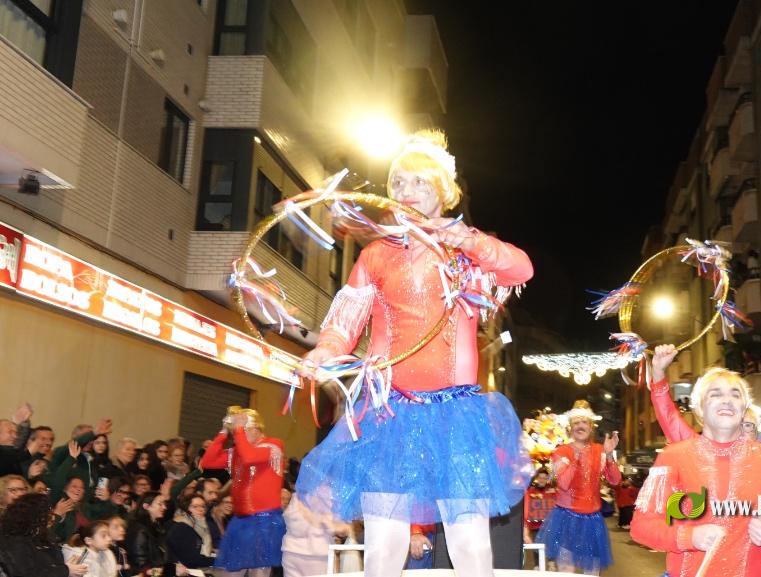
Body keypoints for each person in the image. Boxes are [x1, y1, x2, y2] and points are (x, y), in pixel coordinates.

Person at [293, 129, 533, 577]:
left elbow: (521, 267)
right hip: (389, 413)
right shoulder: (376, 255)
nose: (407, 191)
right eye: (399, 182)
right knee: (383, 542)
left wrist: (468, 241)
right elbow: (345, 322)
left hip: (457, 415)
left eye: (419, 182)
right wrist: (324, 351)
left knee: (470, 541)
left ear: (443, 188)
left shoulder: (466, 251)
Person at [644, 344, 761, 577]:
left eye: (748, 425)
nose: (740, 428)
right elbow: (669, 417)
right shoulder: (693, 451)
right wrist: (659, 376)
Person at [200, 406, 285, 577]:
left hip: (264, 521)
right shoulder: (237, 451)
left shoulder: (273, 445)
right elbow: (208, 461)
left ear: (255, 428)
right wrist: (223, 432)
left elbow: (250, 458)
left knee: (259, 572)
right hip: (241, 520)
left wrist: (237, 430)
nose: (238, 434)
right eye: (237, 430)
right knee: (229, 572)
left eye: (243, 428)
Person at [536, 400, 620, 574]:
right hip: (566, 518)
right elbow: (564, 484)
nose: (580, 426)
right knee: (566, 569)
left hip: (593, 519)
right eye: (576, 423)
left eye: (584, 423)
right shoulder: (562, 451)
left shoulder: (600, 450)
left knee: (592, 570)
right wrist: (577, 457)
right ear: (570, 428)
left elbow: (615, 481)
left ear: (591, 427)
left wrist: (610, 455)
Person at [0, 492, 87, 577]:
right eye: (47, 513)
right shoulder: (14, 541)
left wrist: (67, 568)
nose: (52, 516)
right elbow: (27, 573)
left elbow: (52, 566)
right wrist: (66, 570)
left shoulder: (44, 536)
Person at [125, 492, 169, 576]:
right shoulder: (139, 530)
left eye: (164, 504)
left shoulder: (157, 526)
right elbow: (140, 564)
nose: (164, 507)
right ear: (146, 506)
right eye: (160, 504)